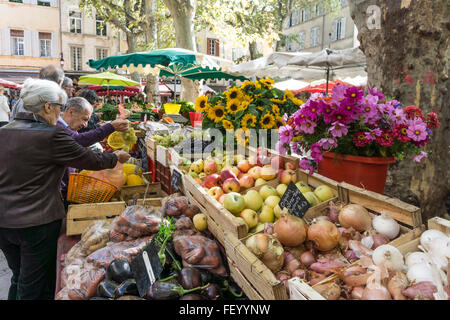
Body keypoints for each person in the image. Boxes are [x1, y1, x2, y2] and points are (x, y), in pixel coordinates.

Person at [0, 78, 130, 300]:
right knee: (34, 284)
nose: (60, 114)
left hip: (4, 221)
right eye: (59, 108)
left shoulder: (4, 131)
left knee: (18, 275)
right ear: (48, 107)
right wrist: (114, 158)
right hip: (38, 222)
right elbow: (88, 159)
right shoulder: (52, 135)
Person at [57, 97, 130, 200]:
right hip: (58, 192)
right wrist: (110, 127)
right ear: (71, 112)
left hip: (66, 188)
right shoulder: (58, 127)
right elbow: (79, 141)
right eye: (85, 119)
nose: (85, 124)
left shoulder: (68, 128)